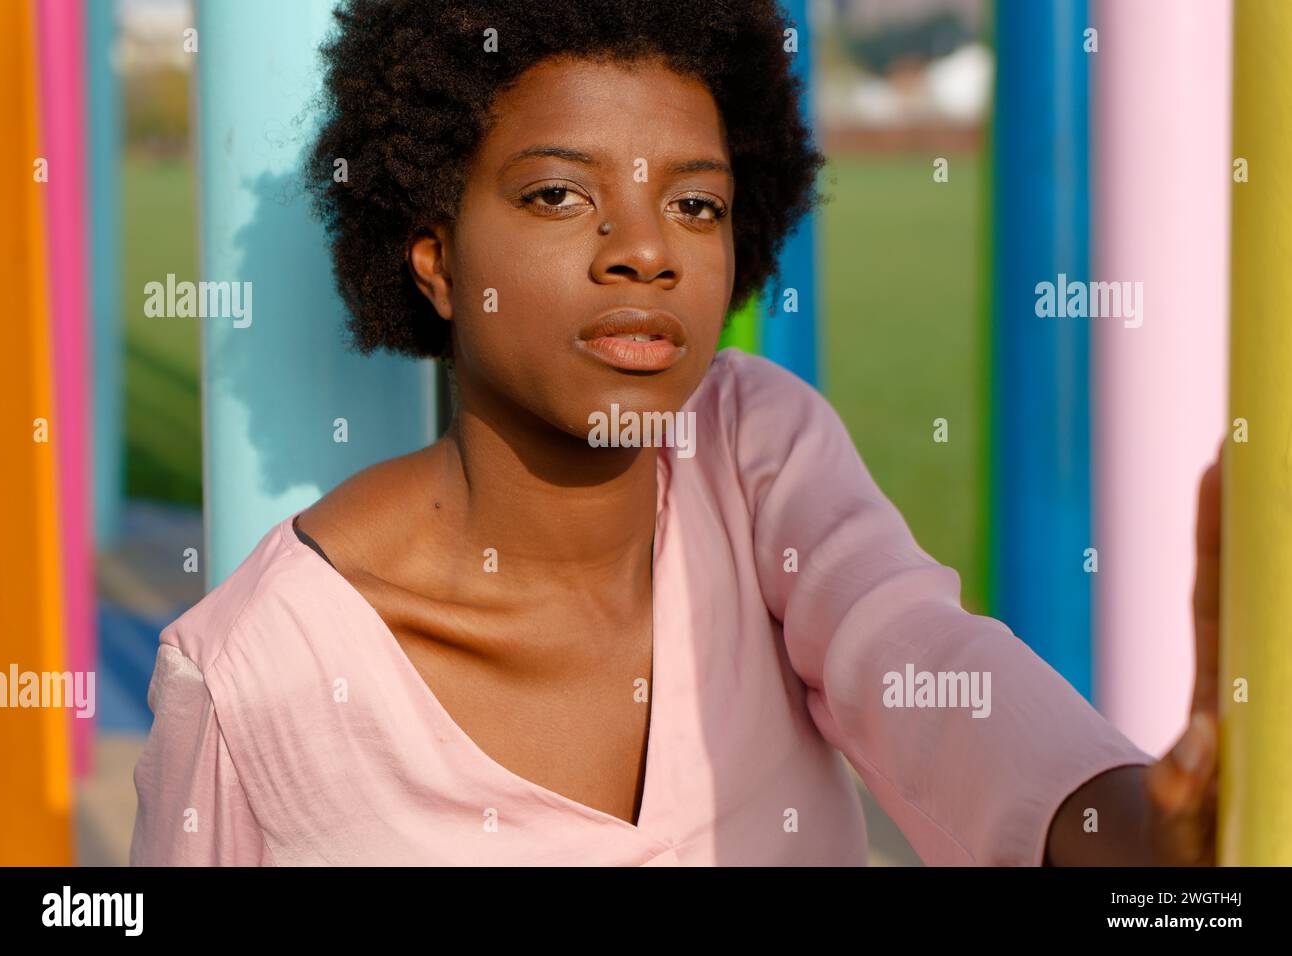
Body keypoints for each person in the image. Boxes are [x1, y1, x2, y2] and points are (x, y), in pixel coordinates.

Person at [129, 0, 1219, 866]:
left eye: (696, 205)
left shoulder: (753, 452)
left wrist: (1131, 828)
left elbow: (918, 659)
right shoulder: (251, 676)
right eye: (559, 194)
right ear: (435, 259)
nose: (645, 251)